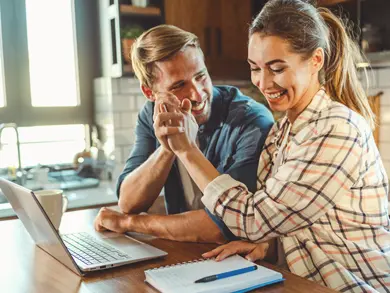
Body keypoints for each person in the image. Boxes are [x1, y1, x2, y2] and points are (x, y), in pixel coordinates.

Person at [157, 0, 390, 292]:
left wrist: (187, 151)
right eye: (255, 68)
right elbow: (300, 224)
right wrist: (268, 247)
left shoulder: (337, 128)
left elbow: (254, 219)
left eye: (276, 68)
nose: (263, 82)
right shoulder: (282, 132)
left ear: (316, 60)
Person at [93, 24, 274, 245]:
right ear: (150, 93)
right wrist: (168, 148)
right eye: (179, 86)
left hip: (241, 261)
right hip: (184, 253)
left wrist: (129, 224)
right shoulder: (153, 115)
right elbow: (128, 202)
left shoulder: (251, 120)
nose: (197, 94)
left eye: (201, 76)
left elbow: (228, 225)